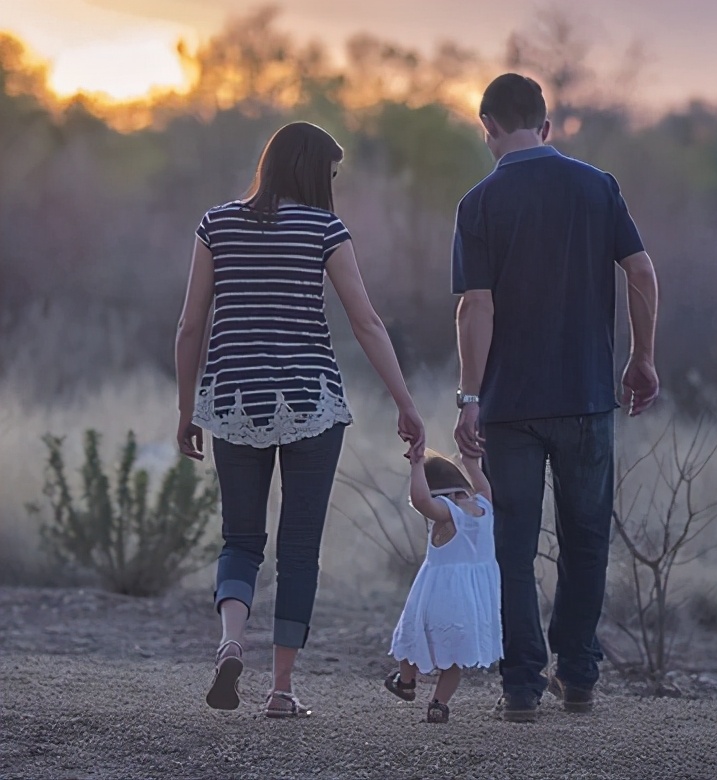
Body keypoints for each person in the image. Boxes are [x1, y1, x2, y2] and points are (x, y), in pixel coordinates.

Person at [175, 121, 425, 717]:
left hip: (233, 402)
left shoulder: (216, 225)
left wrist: (187, 411)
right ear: (312, 170)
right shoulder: (324, 229)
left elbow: (190, 326)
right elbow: (366, 322)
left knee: (240, 539)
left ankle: (231, 642)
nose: (333, 184)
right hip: (311, 402)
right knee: (299, 548)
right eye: (331, 173)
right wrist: (405, 401)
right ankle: (281, 689)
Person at [451, 74, 660, 722]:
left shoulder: (479, 202)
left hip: (510, 406)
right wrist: (642, 357)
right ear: (546, 126)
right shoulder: (597, 187)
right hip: (587, 397)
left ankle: (520, 687)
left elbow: (474, 307)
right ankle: (578, 676)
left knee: (513, 545)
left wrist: (468, 396)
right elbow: (642, 271)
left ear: (487, 127)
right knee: (586, 538)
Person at [384, 450, 502, 723]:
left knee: (411, 639)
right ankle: (438, 704)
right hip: (473, 600)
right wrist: (471, 461)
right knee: (454, 659)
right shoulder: (484, 505)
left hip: (439, 595)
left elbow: (421, 500)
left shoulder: (448, 513)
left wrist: (416, 466)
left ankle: (407, 681)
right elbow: (483, 485)